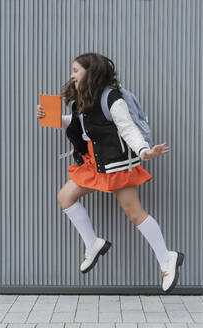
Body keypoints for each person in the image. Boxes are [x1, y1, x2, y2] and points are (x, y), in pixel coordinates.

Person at [37, 53, 184, 293]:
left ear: (90, 72)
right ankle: (93, 244)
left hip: (117, 166)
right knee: (65, 197)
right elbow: (80, 124)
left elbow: (127, 129)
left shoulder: (112, 99)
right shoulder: (81, 100)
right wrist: (53, 118)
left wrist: (144, 151)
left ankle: (167, 259)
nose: (72, 75)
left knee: (135, 214)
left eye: (76, 70)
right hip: (95, 164)